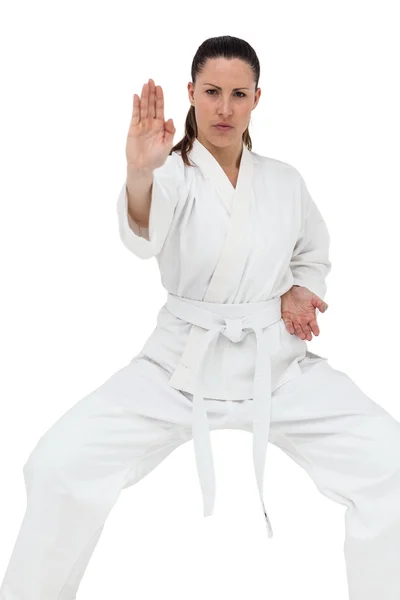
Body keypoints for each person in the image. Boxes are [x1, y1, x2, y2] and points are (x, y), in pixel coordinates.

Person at [1, 35, 399, 600]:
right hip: (178, 368)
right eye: (211, 92)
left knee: (390, 461)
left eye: (239, 94)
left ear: (257, 99)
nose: (224, 107)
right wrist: (138, 172)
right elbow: (144, 230)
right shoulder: (171, 173)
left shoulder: (285, 181)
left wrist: (299, 291)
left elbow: (313, 252)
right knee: (57, 464)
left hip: (278, 367)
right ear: (190, 93)